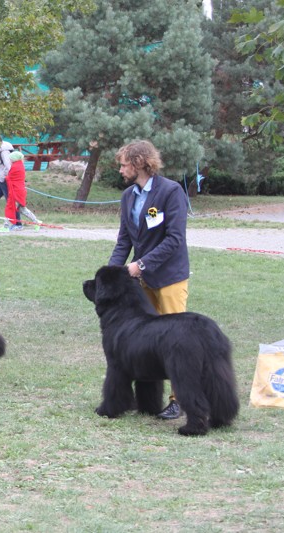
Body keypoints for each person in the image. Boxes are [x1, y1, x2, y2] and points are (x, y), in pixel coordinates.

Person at [107, 140, 190, 419]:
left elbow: (174, 239)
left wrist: (141, 264)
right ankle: (147, 399)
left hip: (170, 277)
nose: (121, 170)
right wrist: (111, 274)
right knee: (145, 341)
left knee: (175, 342)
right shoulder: (128, 196)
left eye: (124, 165)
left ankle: (179, 399)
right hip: (142, 281)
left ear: (140, 163)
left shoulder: (171, 191)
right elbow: (124, 240)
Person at [0, 151, 42, 232]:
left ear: (14, 159)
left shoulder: (15, 167)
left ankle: (6, 227)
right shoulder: (20, 165)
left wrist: (4, 178)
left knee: (10, 208)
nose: (10, 160)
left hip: (16, 191)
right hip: (19, 190)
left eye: (10, 159)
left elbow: (10, 178)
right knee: (22, 209)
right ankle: (36, 222)